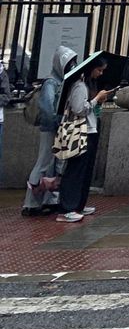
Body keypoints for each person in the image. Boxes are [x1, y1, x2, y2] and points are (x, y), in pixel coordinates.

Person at [56, 55, 114, 222]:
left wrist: (98, 100)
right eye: (99, 70)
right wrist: (96, 99)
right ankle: (67, 207)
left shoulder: (88, 85)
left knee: (85, 170)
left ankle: (78, 204)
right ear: (91, 69)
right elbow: (79, 109)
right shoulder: (80, 86)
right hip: (81, 131)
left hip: (90, 130)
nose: (101, 73)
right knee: (76, 170)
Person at [23, 45, 76, 217]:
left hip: (57, 126)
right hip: (51, 127)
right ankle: (31, 202)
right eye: (69, 64)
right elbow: (47, 107)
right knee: (44, 162)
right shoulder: (51, 82)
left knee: (53, 164)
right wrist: (56, 122)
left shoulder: (60, 81)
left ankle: (49, 199)